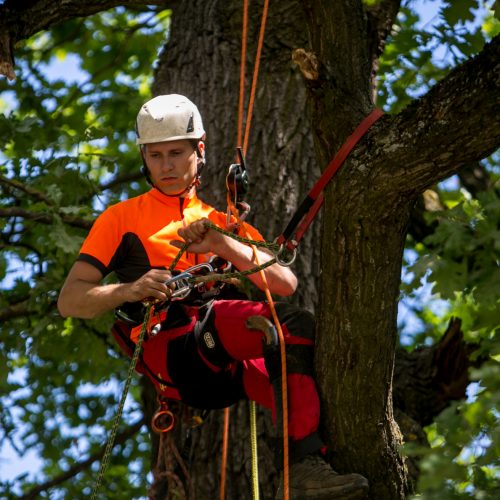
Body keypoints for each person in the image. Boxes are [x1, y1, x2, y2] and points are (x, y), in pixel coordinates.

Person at [58, 94, 368, 499]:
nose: (166, 166)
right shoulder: (121, 218)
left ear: (199, 151)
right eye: (155, 156)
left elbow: (283, 283)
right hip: (172, 348)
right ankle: (303, 468)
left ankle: (306, 471)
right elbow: (71, 299)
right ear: (143, 157)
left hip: (221, 363)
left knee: (299, 374)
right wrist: (130, 289)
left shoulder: (223, 222)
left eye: (176, 153)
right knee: (283, 325)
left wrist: (223, 244)